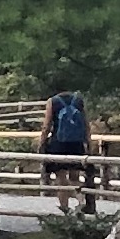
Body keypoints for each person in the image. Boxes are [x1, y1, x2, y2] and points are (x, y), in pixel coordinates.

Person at [43, 82, 93, 216]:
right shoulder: (78, 100)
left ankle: (65, 210)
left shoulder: (52, 102)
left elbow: (46, 125)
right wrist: (88, 143)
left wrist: (42, 142)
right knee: (75, 176)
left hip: (58, 143)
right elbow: (86, 124)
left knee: (60, 177)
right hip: (76, 143)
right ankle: (80, 200)